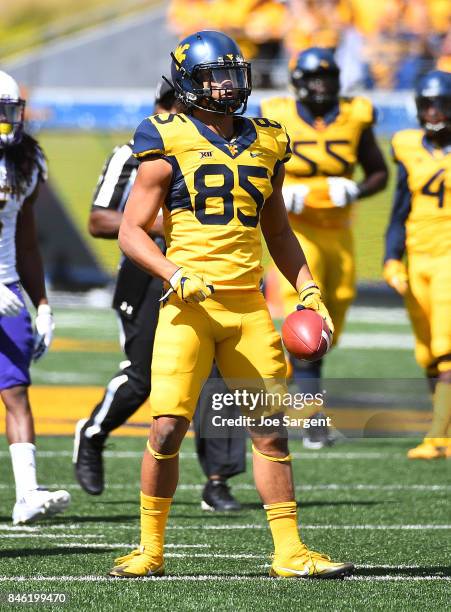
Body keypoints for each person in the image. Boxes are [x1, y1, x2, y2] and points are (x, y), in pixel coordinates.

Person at [109, 30, 354, 579]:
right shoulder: (163, 138)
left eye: (233, 73)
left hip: (247, 308)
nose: (228, 84)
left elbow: (279, 228)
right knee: (167, 427)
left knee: (270, 430)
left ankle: (290, 550)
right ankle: (150, 547)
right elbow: (131, 231)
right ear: (190, 85)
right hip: (188, 307)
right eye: (215, 75)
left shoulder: (268, 140)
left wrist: (307, 288)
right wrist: (176, 272)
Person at [73, 78, 244, 511]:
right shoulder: (135, 152)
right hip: (148, 274)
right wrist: (166, 225)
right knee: (144, 376)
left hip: (209, 273)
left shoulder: (225, 148)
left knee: (221, 373)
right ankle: (93, 432)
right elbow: (99, 220)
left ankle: (219, 480)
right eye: (171, 106)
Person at [260, 47, 388, 448]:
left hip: (339, 232)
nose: (321, 87)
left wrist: (355, 188)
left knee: (335, 317)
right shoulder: (275, 114)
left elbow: (380, 173)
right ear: (297, 81)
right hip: (296, 233)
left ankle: (281, 394)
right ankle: (310, 418)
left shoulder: (355, 115)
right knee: (309, 316)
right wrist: (280, 193)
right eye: (314, 79)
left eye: (327, 79)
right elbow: (251, 169)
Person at [0, 70, 70, 524]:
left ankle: (27, 494)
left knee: (16, 391)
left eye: (11, 112)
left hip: (7, 288)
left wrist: (42, 304)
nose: (9, 122)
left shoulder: (26, 160)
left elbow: (26, 241)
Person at [384, 69, 451, 460]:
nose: (433, 111)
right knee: (427, 353)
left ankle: (438, 436)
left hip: (448, 261)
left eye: (441, 103)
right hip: (418, 260)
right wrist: (391, 258)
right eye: (427, 103)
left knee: (446, 350)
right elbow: (399, 210)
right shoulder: (407, 146)